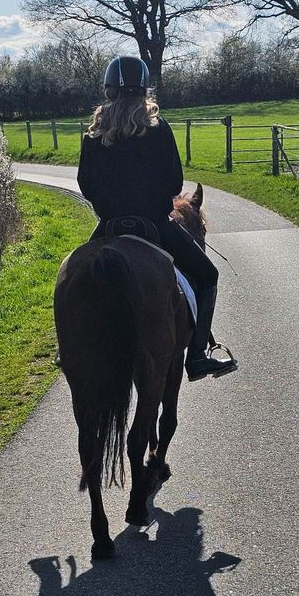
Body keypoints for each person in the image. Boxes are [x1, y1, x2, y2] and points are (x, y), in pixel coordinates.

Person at [77, 55, 237, 382]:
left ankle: (71, 349)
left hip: (109, 227)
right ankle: (196, 357)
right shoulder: (157, 127)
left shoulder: (94, 132)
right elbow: (175, 182)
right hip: (155, 226)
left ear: (109, 91)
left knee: (75, 280)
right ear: (144, 90)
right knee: (208, 276)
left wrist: (108, 208)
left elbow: (85, 183)